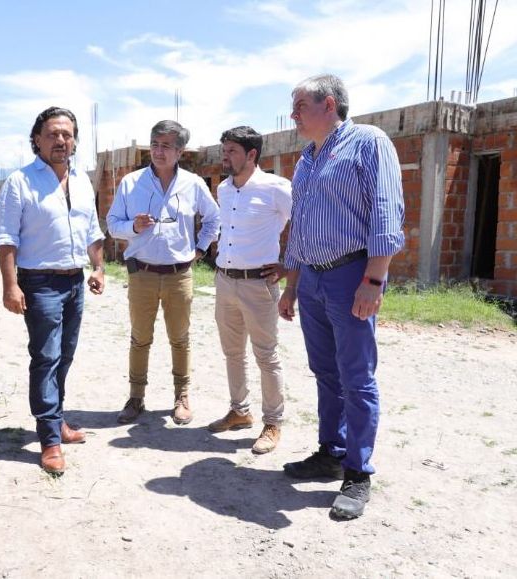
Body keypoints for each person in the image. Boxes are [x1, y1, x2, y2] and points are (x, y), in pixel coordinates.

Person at [279, 74, 405, 519]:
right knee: (325, 372)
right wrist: (292, 285)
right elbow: (300, 225)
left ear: (328, 104)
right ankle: (331, 452)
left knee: (356, 376)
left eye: (300, 105)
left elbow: (387, 211)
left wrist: (374, 279)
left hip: (352, 274)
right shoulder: (306, 160)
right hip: (312, 279)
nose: (293, 114)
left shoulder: (368, 142)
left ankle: (358, 471)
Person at [0, 106, 105, 475]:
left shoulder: (82, 180)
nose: (61, 140)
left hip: (74, 281)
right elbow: (6, 238)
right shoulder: (20, 182)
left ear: (75, 141)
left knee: (65, 355)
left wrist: (99, 267)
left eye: (67, 134)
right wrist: (10, 285)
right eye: (53, 134)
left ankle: (57, 421)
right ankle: (49, 439)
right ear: (37, 140)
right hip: (39, 283)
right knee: (46, 357)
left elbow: (92, 231)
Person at [106, 120, 220, 425]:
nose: (158, 151)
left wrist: (200, 249)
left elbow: (214, 218)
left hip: (179, 275)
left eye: (166, 146)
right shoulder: (131, 183)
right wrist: (133, 226)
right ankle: (136, 397)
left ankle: (182, 396)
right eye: (154, 145)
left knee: (180, 339)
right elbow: (112, 224)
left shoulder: (193, 184)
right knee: (140, 338)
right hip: (141, 274)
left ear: (180, 151)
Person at [208, 126, 291, 454]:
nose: (225, 157)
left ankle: (273, 422)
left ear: (252, 154)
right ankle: (240, 411)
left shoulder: (276, 188)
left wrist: (288, 265)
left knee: (266, 355)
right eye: (224, 150)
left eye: (232, 151)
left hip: (259, 284)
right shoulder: (224, 189)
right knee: (232, 353)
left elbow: (304, 224)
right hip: (225, 281)